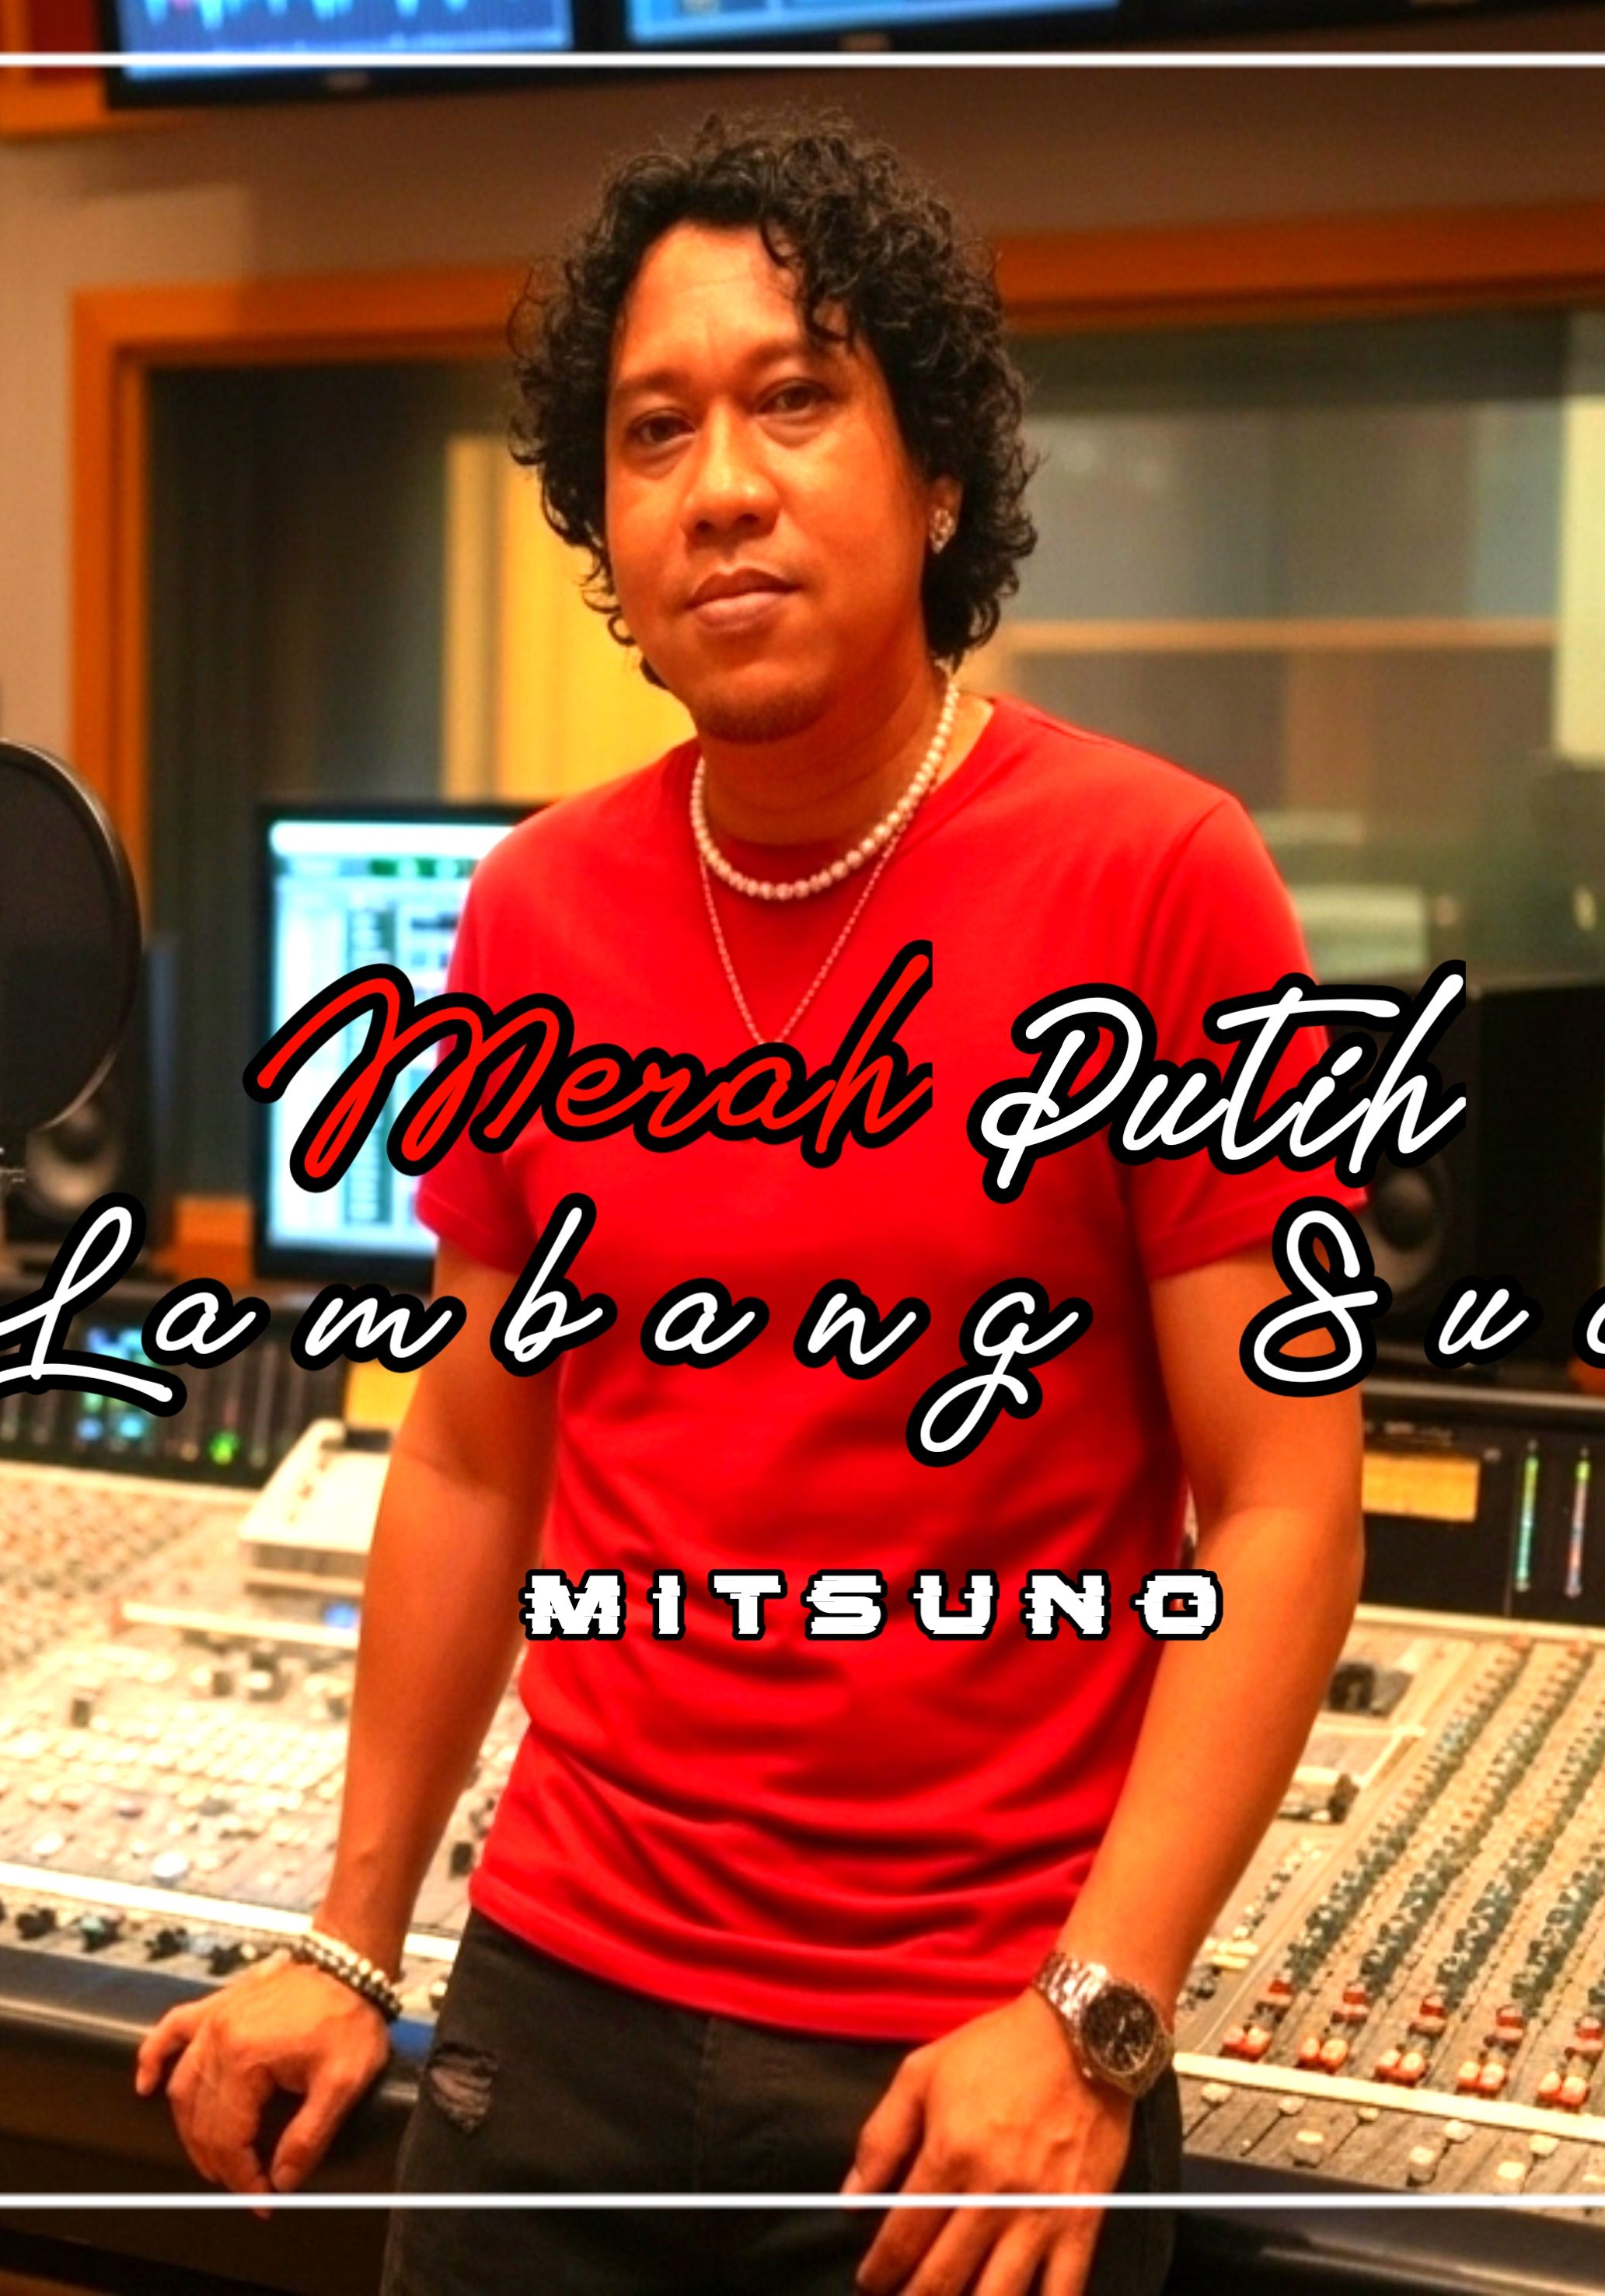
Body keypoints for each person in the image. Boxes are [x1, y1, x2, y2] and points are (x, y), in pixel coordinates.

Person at [136, 110, 1366, 2296]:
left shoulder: (1161, 879)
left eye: (796, 399)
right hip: (554, 2023)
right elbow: (473, 1452)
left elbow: (1281, 1504)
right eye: (654, 430)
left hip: (967, 2066)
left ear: (939, 472)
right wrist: (353, 1930)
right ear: (606, 523)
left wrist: (1096, 2014)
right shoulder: (531, 913)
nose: (721, 485)